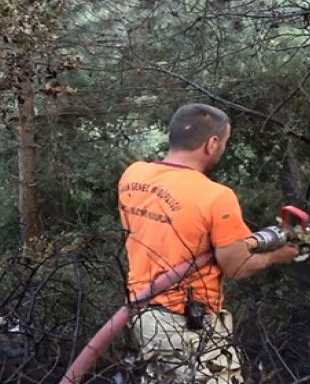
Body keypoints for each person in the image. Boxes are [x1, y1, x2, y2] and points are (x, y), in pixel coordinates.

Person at [119, 103, 299, 383]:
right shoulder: (215, 196)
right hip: (187, 326)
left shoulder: (133, 175)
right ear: (211, 143)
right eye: (224, 143)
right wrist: (277, 256)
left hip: (143, 316)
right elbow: (236, 266)